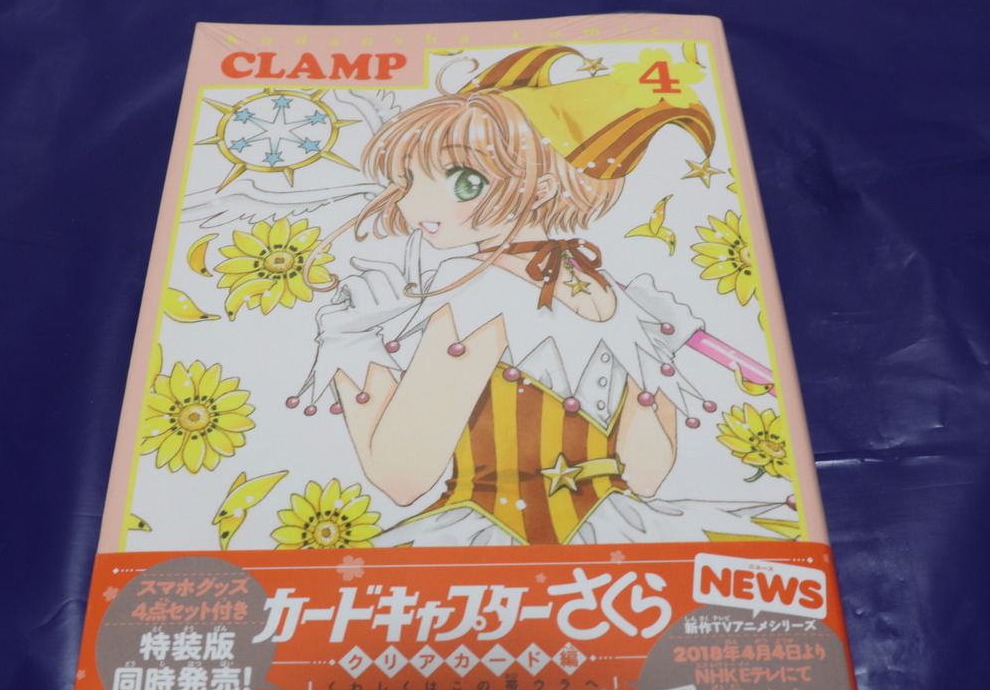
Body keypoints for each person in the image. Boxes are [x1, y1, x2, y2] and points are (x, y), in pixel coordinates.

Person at [293, 45, 782, 546]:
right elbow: (645, 474)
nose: (415, 204)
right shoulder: (609, 296)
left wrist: (351, 339)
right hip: (617, 535)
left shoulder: (475, 295)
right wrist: (659, 351)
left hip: (491, 542)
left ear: (543, 189)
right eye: (409, 179)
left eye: (464, 181)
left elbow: (402, 478)